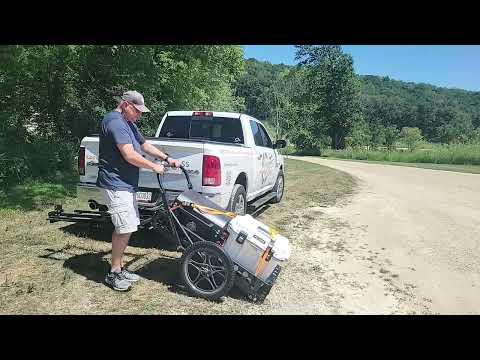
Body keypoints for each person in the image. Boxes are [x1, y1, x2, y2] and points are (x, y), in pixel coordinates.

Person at [97, 90, 181, 291]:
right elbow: (129, 155)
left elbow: (144, 145)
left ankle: (119, 267)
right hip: (115, 184)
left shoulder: (128, 123)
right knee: (124, 227)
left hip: (126, 184)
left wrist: (167, 159)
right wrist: (154, 167)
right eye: (137, 110)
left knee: (130, 226)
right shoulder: (115, 122)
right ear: (125, 104)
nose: (139, 115)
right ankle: (113, 273)